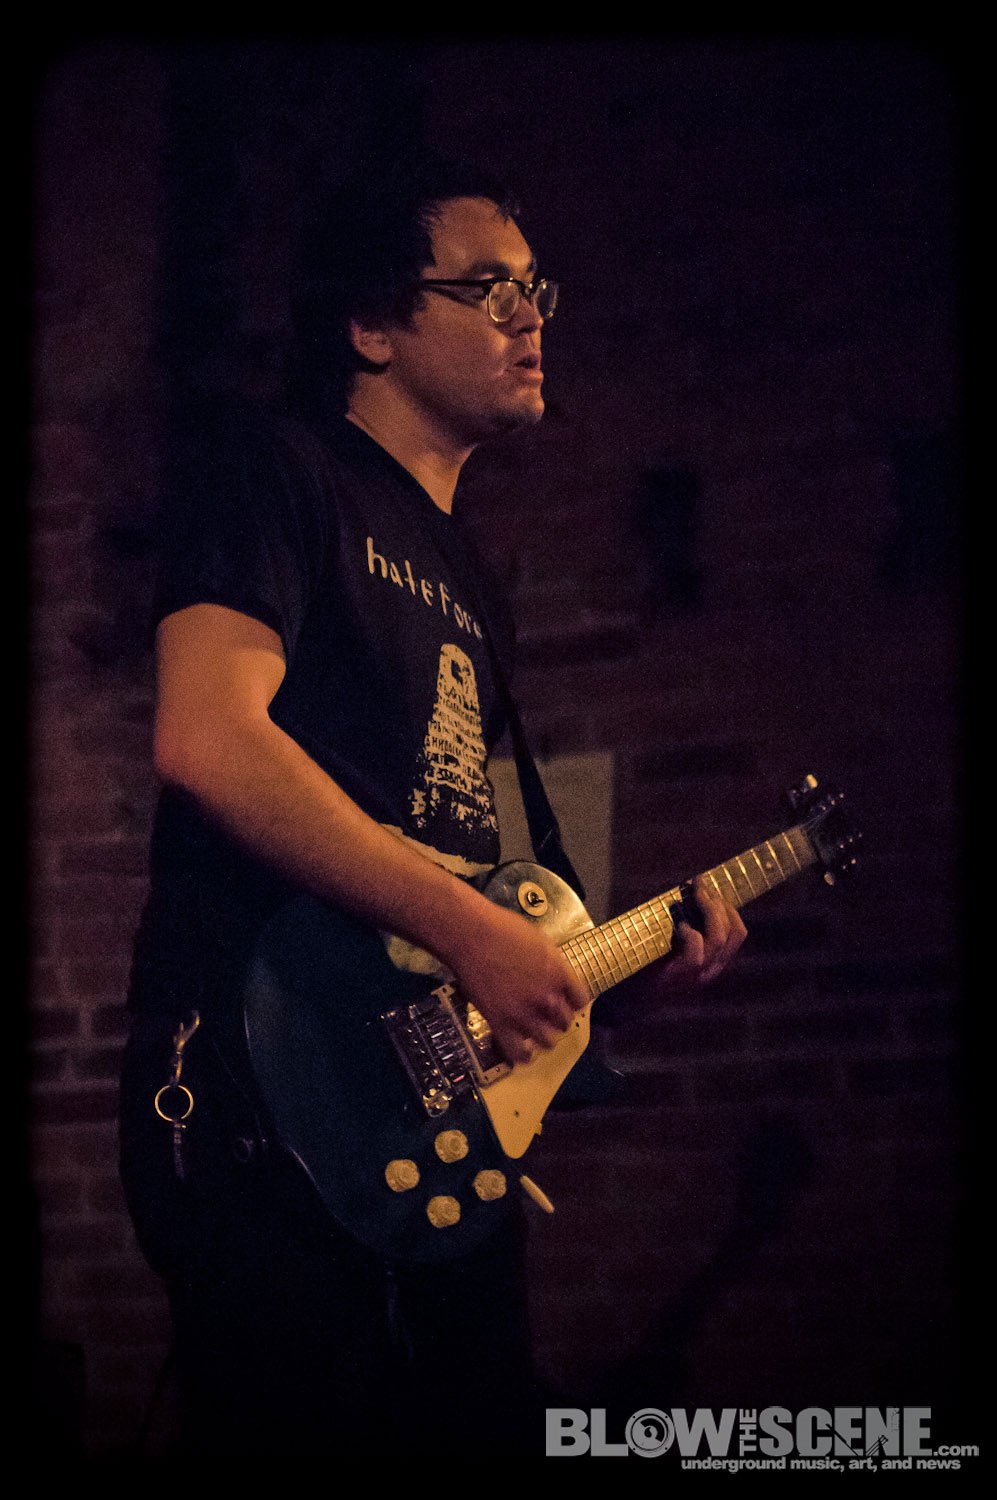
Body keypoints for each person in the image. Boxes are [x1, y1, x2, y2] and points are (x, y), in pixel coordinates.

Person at [119, 152, 746, 1457]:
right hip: (262, 1091)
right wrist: (471, 933)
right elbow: (208, 737)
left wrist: (589, 985)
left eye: (536, 289)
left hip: (424, 1124)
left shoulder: (466, 574)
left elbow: (449, 890)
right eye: (486, 287)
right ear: (372, 324)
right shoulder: (279, 470)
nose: (530, 316)